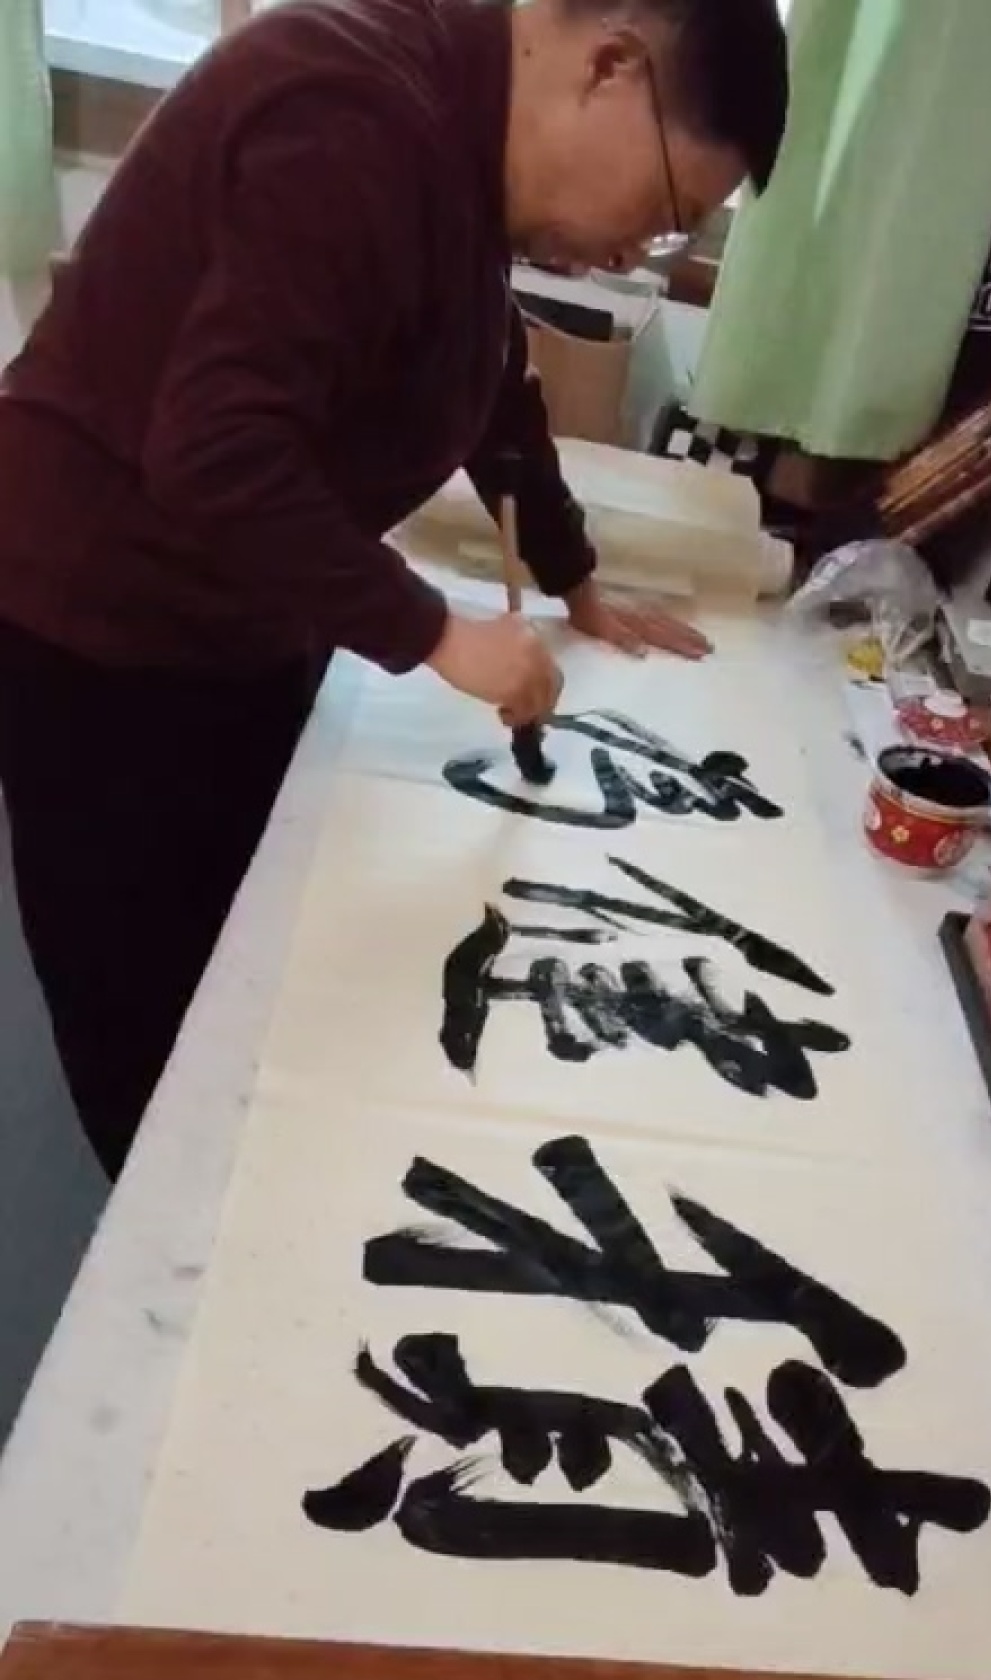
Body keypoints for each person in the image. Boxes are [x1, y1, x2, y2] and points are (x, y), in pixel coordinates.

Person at [0, 0, 788, 1180]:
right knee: (161, 1052)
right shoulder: (357, 117)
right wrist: (434, 634)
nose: (637, 252)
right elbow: (216, 451)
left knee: (268, 969)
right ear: (611, 69)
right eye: (663, 211)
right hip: (106, 624)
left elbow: (489, 376)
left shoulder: (464, 142)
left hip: (246, 609)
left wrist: (574, 575)